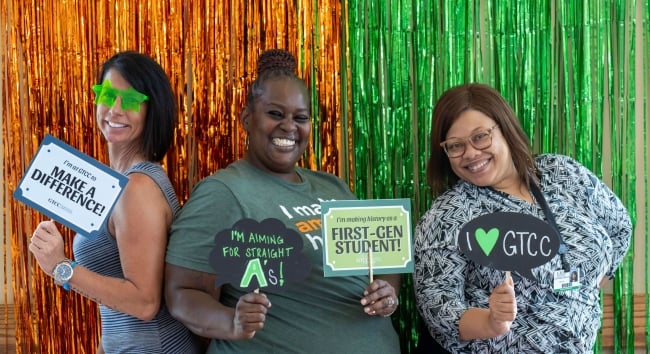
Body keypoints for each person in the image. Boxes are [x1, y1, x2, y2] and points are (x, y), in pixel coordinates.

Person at [164, 49, 401, 353]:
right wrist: (231, 322)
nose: (289, 126)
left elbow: (379, 259)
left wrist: (386, 294)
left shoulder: (333, 187)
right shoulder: (223, 192)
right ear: (247, 118)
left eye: (300, 117)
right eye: (275, 114)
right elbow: (181, 293)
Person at [413, 83, 632, 353]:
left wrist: (581, 292)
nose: (470, 153)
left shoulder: (561, 173)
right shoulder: (448, 214)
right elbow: (437, 307)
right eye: (455, 146)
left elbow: (619, 227)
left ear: (505, 128)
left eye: (480, 137)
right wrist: (492, 322)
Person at [28, 51, 203, 353]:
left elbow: (145, 303)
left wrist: (61, 267)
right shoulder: (117, 184)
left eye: (131, 101)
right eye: (108, 95)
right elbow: (115, 309)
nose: (115, 109)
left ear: (152, 110)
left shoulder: (137, 187)